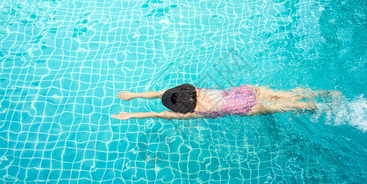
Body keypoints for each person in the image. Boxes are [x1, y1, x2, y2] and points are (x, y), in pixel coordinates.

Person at [111, 83, 338, 120]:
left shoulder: (191, 113)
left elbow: (158, 114)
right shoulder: (192, 89)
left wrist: (131, 115)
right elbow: (158, 93)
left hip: (247, 107)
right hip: (246, 91)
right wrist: (135, 95)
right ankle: (327, 94)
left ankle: (321, 107)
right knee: (287, 94)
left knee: (288, 107)